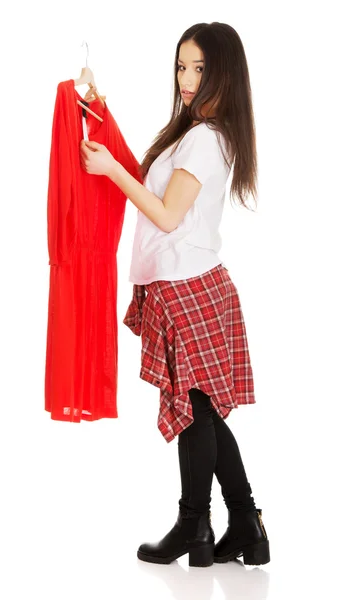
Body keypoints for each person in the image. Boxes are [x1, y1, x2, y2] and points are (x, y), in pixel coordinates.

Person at [79, 21, 270, 568]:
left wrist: (112, 169)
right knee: (202, 412)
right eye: (182, 67)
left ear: (224, 74)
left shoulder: (207, 139)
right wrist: (98, 108)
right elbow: (152, 186)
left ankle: (196, 525)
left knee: (194, 413)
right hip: (186, 284)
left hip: (190, 287)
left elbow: (164, 213)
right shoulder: (194, 131)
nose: (186, 79)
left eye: (200, 69)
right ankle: (245, 525)